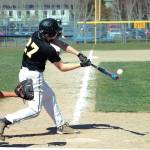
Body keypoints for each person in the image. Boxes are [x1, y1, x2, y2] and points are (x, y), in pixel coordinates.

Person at [0, 18, 91, 137]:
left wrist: (78, 54)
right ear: (48, 34)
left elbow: (59, 43)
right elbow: (62, 67)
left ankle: (60, 126)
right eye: (55, 32)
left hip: (25, 72)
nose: (56, 34)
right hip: (33, 76)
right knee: (34, 110)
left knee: (49, 96)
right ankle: (5, 120)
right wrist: (81, 65)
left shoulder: (37, 34)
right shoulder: (47, 49)